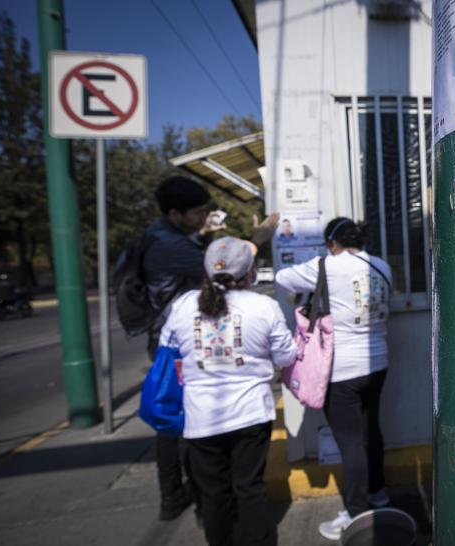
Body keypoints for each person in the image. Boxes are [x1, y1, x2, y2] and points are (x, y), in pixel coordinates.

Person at [142, 176, 279, 521]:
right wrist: (255, 242)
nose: (204, 218)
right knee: (182, 422)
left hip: (178, 335)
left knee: (181, 419)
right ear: (175, 213)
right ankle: (184, 497)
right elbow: (222, 269)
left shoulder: (165, 234)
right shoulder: (169, 245)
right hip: (177, 341)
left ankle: (191, 498)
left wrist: (203, 236)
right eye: (198, 213)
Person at [158, 237, 297, 545]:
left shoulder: (182, 306)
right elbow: (286, 356)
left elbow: (167, 352)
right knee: (250, 487)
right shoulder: (264, 306)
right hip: (250, 416)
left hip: (200, 418)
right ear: (251, 272)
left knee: (213, 493)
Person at [274, 217, 392, 541]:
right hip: (378, 362)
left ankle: (355, 513)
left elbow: (283, 277)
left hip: (341, 370)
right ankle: (378, 492)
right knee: (372, 430)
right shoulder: (381, 265)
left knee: (350, 442)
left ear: (332, 243)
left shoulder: (327, 265)